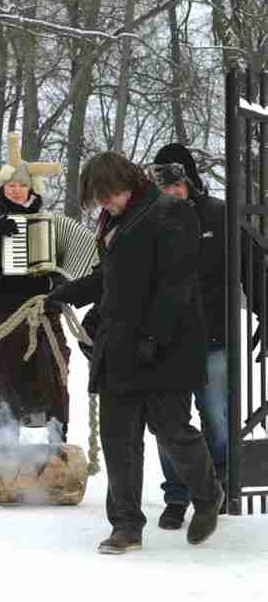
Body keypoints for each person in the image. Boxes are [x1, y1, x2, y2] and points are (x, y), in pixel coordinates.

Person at [47, 151, 224, 554]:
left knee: (172, 430)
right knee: (118, 438)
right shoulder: (113, 220)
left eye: (108, 195)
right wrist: (65, 294)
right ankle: (126, 526)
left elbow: (175, 285)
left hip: (166, 347)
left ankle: (207, 494)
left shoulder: (171, 212)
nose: (105, 203)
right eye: (99, 198)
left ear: (125, 182)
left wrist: (153, 338)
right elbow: (109, 277)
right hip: (118, 346)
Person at [147, 143, 260, 528]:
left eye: (176, 183)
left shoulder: (219, 215)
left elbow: (253, 267)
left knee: (216, 419)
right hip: (164, 341)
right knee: (168, 424)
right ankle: (177, 496)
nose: (171, 191)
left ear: (190, 180)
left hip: (213, 337)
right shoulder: (147, 221)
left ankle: (220, 486)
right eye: (163, 185)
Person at [0, 164, 72, 436]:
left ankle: (57, 436)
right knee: (5, 375)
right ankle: (6, 438)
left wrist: (58, 283)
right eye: (11, 185)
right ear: (2, 187)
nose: (17, 191)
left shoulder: (47, 219)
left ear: (31, 188)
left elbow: (65, 264)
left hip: (43, 309)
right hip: (4, 308)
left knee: (53, 370)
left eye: (22, 185)